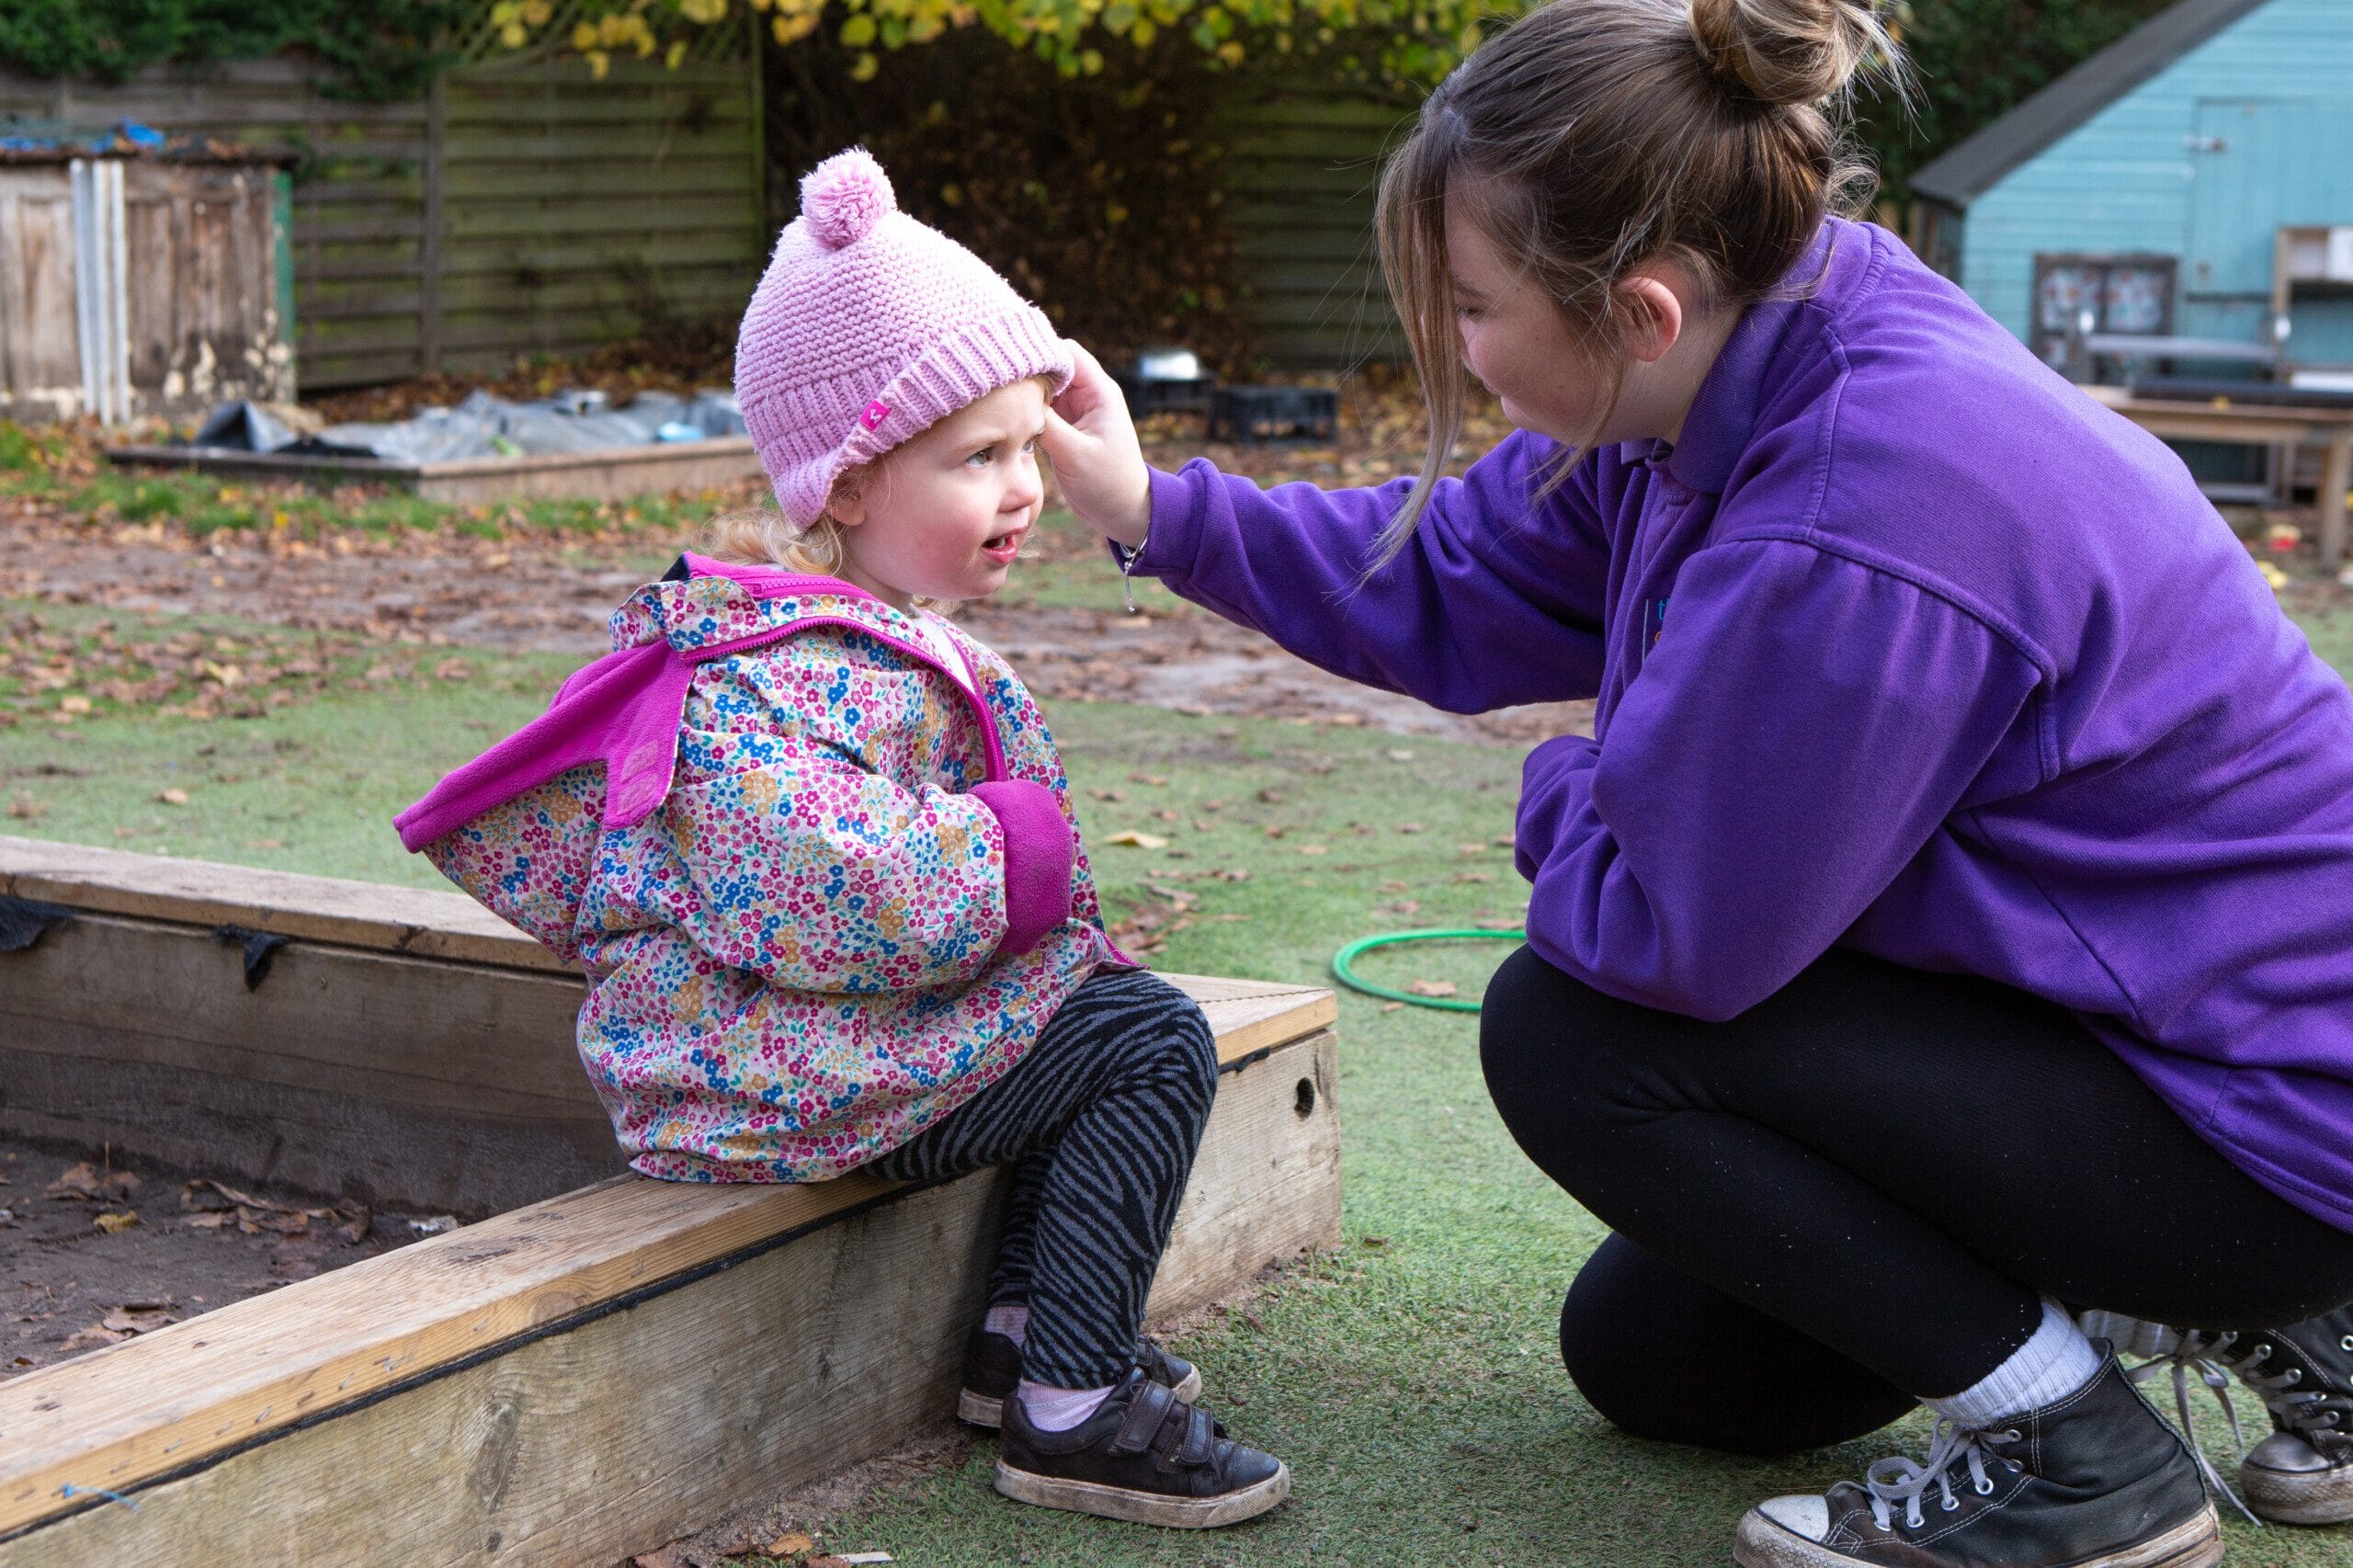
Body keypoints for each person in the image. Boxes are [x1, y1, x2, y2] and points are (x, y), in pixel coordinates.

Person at [1038, 1, 2353, 1562]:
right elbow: (1454, 569)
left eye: (1474, 306)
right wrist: (1154, 507)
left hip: (2257, 1124)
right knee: (1662, 1359)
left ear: (1640, 309)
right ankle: (2252, 1319)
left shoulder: (1859, 511)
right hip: (2128, 1034)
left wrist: (1572, 782)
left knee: (1570, 1032)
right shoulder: (1755, 343)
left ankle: (2085, 1457)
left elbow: (1661, 930)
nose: (1454, 347)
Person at [393, 147, 1287, 1530]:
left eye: (1026, 448)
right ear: (850, 485)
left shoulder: (863, 641)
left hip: (819, 1041)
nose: (1024, 488)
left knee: (1095, 1020)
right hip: (757, 1072)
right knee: (1149, 1042)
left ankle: (1027, 1339)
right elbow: (839, 889)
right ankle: (1072, 1411)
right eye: (978, 456)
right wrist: (1013, 851)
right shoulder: (746, 680)